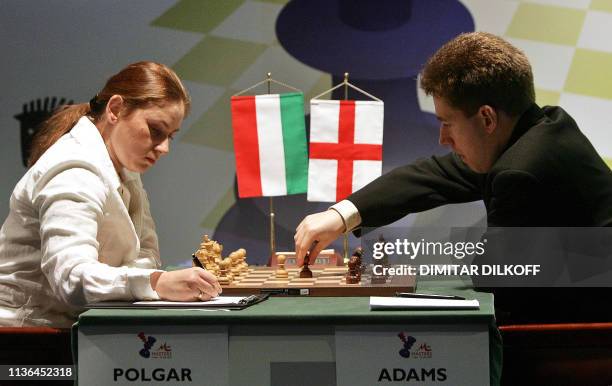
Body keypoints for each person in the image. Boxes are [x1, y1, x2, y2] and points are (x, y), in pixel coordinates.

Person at [294, 32, 612, 321]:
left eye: (447, 123)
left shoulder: (520, 170)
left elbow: (495, 280)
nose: (443, 138)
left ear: (486, 118)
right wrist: (340, 215)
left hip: (586, 337)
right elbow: (435, 175)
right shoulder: (541, 128)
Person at [0, 62, 221, 327]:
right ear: (115, 109)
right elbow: (71, 279)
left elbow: (147, 254)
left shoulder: (124, 168)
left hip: (81, 328)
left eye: (170, 137)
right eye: (155, 130)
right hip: (28, 338)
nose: (164, 148)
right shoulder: (74, 169)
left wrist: (142, 279)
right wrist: (156, 282)